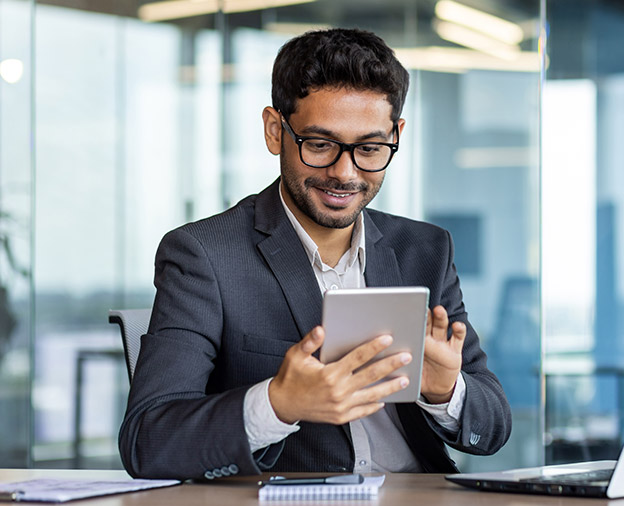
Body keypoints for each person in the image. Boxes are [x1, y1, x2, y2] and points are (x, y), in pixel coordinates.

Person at [118, 28, 511, 480]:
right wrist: (277, 404)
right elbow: (147, 441)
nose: (344, 173)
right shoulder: (205, 255)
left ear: (396, 135)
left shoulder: (425, 250)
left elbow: (494, 426)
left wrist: (446, 393)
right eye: (320, 145)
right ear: (274, 130)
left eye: (369, 148)